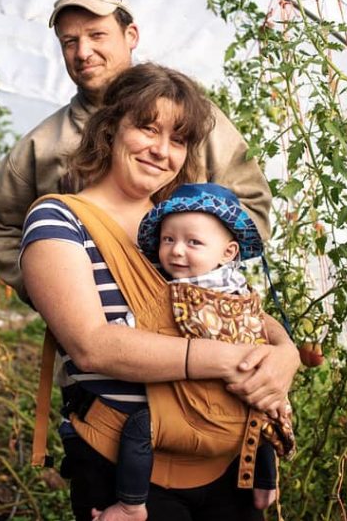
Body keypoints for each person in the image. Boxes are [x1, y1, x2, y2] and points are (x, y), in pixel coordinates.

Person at [20, 64, 300, 521]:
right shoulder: (59, 220)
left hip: (223, 459)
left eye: (178, 139)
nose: (161, 150)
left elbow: (233, 302)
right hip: (125, 467)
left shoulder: (182, 227)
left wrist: (284, 354)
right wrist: (234, 360)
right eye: (147, 129)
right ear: (110, 129)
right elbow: (93, 346)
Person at [0, 0, 272, 301]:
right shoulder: (43, 145)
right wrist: (50, 289)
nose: (83, 52)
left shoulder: (195, 118)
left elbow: (251, 203)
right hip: (96, 324)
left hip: (197, 312)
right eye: (69, 41)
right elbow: (1, 223)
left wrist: (203, 270)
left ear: (130, 35)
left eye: (97, 35)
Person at [97, 182, 295, 521]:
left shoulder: (180, 290)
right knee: (263, 417)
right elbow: (259, 321)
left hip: (201, 388)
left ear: (228, 252)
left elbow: (148, 316)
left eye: (193, 243)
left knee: (139, 429)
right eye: (168, 239)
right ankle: (265, 484)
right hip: (239, 388)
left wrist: (117, 329)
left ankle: (131, 504)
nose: (176, 252)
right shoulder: (240, 287)